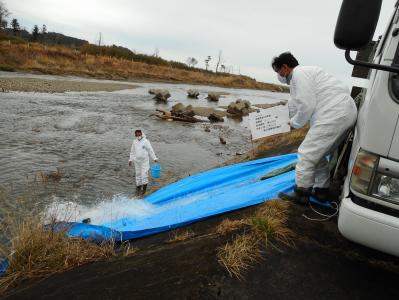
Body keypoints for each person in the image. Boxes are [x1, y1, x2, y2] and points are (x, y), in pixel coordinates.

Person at [271, 52, 357, 204]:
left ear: (285, 67)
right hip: (343, 113)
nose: (278, 75)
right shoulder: (305, 74)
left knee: (306, 154)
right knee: (318, 155)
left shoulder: (299, 74)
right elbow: (295, 105)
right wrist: (282, 120)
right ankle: (321, 191)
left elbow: (306, 105)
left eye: (278, 72)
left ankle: (301, 193)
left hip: (333, 114)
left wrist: (293, 124)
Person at [128, 130, 158, 196]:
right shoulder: (134, 141)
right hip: (137, 161)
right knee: (138, 174)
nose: (138, 136)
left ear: (141, 134)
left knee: (144, 175)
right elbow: (132, 151)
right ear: (135, 135)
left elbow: (150, 150)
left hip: (144, 161)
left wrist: (154, 158)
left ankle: (144, 191)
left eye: (139, 135)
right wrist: (130, 160)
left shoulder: (146, 141)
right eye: (137, 135)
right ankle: (138, 188)